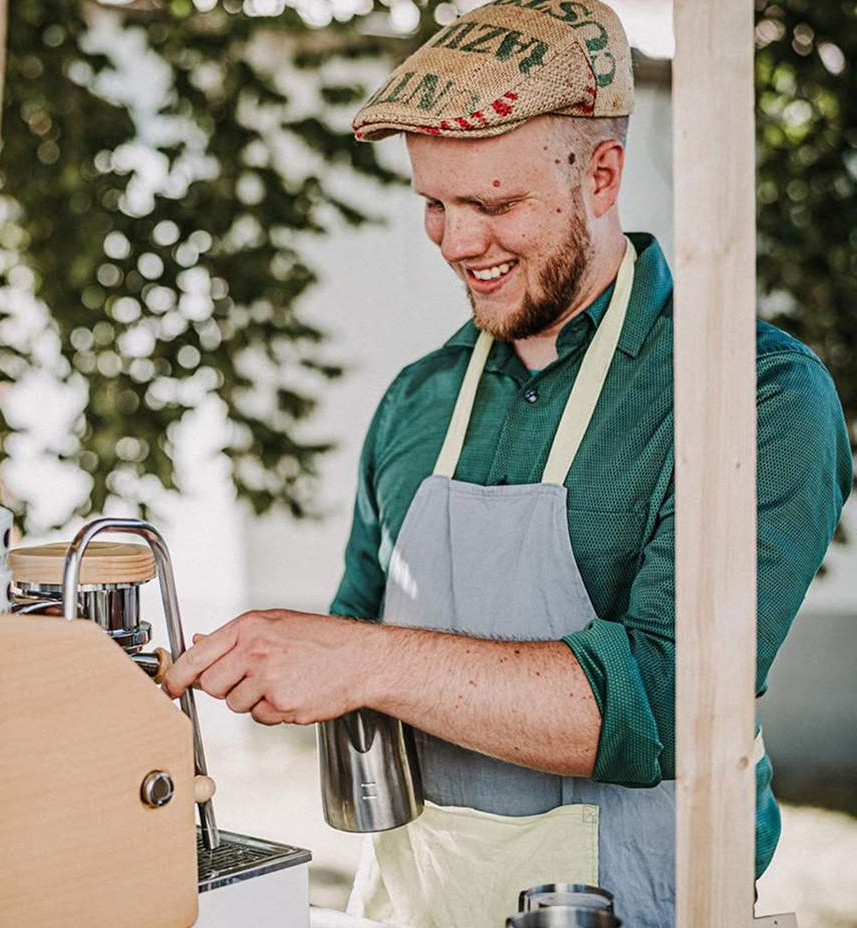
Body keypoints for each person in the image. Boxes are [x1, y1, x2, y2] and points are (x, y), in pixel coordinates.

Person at [162, 2, 852, 925]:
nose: (456, 242)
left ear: (602, 174)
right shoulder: (417, 403)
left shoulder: (750, 394)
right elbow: (354, 660)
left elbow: (667, 700)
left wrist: (360, 658)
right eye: (434, 205)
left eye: (494, 204)